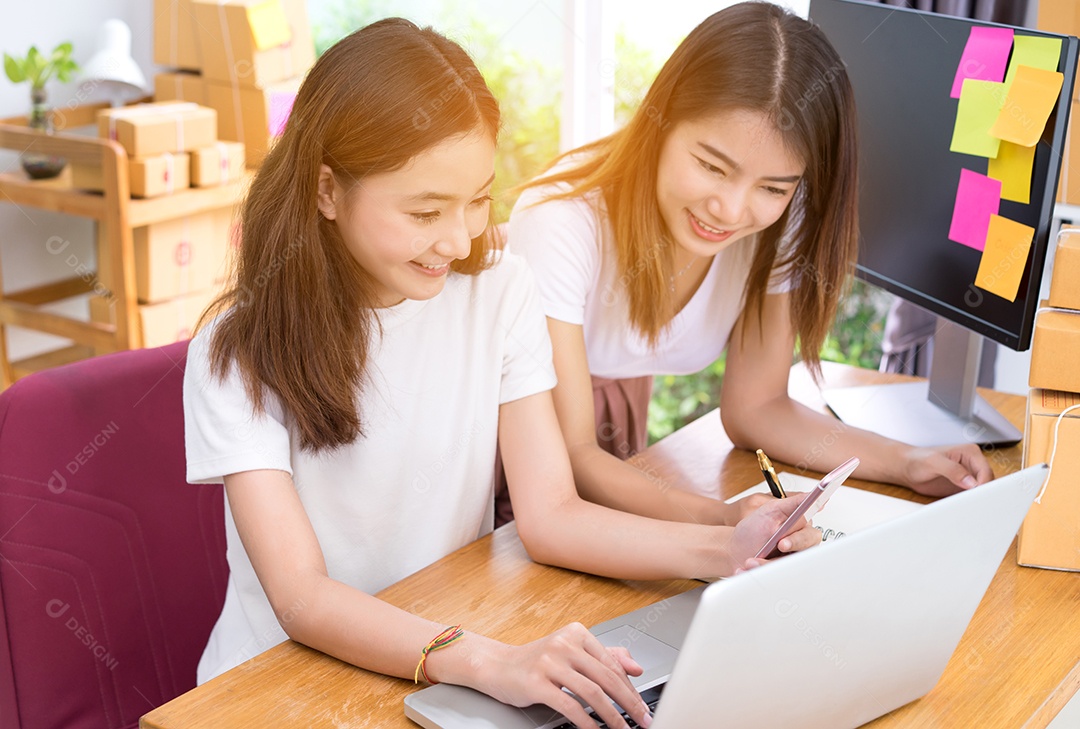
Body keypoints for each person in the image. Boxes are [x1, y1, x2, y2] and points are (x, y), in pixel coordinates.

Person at [183, 18, 821, 729]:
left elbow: (551, 514)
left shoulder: (499, 288)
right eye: (425, 210)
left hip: (439, 654)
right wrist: (489, 661)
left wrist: (725, 545)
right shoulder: (236, 348)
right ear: (328, 191)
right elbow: (300, 595)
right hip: (278, 686)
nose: (458, 240)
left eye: (478, 199)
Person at [503, 1, 994, 527]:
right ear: (660, 122)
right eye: (712, 166)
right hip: (510, 451)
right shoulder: (561, 222)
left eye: (772, 187)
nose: (731, 211)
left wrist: (909, 462)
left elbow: (758, 407)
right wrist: (723, 521)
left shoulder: (782, 220)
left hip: (611, 457)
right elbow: (574, 454)